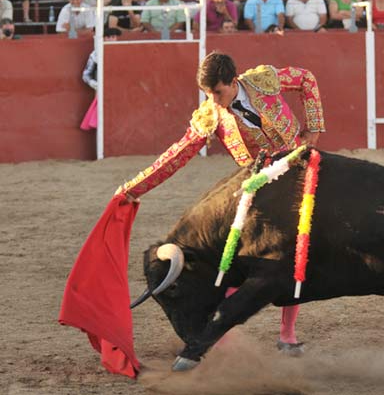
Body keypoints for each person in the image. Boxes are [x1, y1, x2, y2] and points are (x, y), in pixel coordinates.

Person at [116, 52, 325, 356]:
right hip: (259, 185)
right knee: (243, 258)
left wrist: (314, 128)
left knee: (298, 253)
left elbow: (306, 78)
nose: (214, 100)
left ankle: (287, 335)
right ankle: (221, 330)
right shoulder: (210, 115)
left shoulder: (263, 81)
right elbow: (177, 154)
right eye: (208, 94)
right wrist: (133, 189)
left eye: (217, 92)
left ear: (233, 80)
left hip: (299, 172)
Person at [80, 28, 122, 130]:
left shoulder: (122, 51)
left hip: (120, 93)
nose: (112, 39)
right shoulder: (96, 54)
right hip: (102, 93)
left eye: (114, 37)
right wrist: (98, 85)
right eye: (108, 37)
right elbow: (86, 75)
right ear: (103, 39)